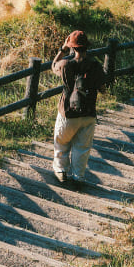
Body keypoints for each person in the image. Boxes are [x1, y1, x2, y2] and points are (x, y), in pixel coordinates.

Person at [50, 29, 106, 185]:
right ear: (87, 47)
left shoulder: (65, 64)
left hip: (68, 113)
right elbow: (102, 88)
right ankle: (78, 177)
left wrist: (63, 48)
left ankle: (61, 172)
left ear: (73, 48)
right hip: (88, 113)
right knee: (82, 147)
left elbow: (53, 65)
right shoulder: (95, 65)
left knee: (61, 142)